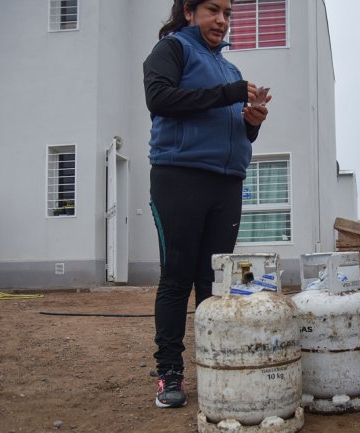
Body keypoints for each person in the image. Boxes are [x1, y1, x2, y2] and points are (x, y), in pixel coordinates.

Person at [143, 0, 271, 409]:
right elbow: (159, 98)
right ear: (189, 13)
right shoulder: (173, 49)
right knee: (178, 278)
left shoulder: (230, 69)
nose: (222, 20)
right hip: (179, 176)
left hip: (226, 183)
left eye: (228, 13)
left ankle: (216, 365)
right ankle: (169, 375)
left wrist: (250, 123)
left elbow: (231, 127)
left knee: (215, 285)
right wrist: (229, 94)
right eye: (213, 10)